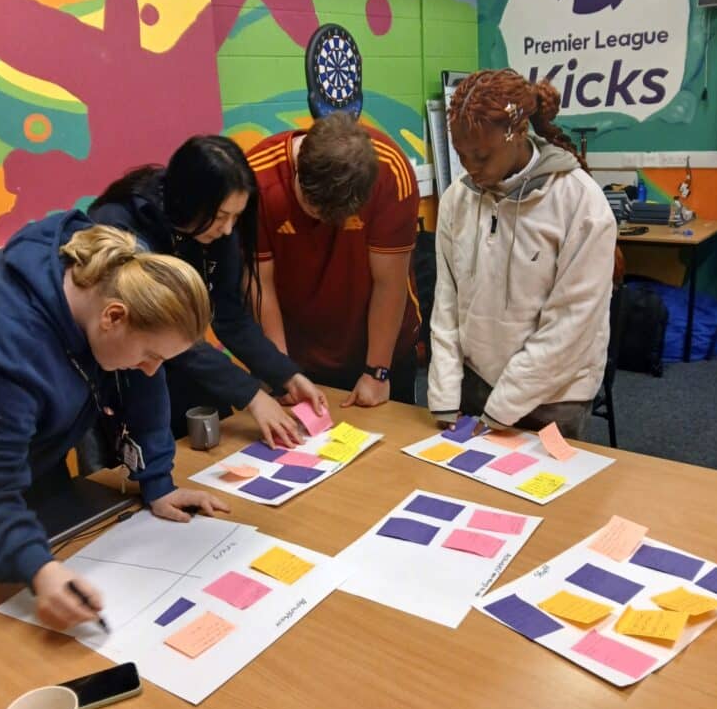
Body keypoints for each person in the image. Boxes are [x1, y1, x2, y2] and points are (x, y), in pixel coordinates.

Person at [0, 212, 229, 630]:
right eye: (149, 354)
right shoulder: (2, 354)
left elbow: (145, 384)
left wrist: (158, 481)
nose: (148, 368)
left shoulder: (119, 272)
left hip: (13, 455)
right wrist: (41, 571)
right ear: (114, 318)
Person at [88, 135, 326, 449]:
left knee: (218, 440)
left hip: (179, 361)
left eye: (237, 217)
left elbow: (229, 315)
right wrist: (252, 395)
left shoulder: (215, 230)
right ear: (191, 201)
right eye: (223, 216)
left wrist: (286, 375)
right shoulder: (122, 226)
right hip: (124, 368)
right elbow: (164, 331)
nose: (228, 230)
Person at [427, 68, 616, 439]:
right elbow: (446, 303)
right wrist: (446, 392)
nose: (469, 168)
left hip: (554, 395)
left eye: (481, 156)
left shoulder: (580, 202)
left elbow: (571, 325)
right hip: (476, 382)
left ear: (516, 135)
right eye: (461, 155)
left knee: (548, 494)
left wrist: (502, 408)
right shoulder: (456, 200)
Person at [246, 112, 421, 408]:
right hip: (296, 350)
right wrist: (281, 372)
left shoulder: (391, 171)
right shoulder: (257, 180)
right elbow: (260, 287)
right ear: (299, 170)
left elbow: (389, 283)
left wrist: (377, 372)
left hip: (380, 348)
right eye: (312, 208)